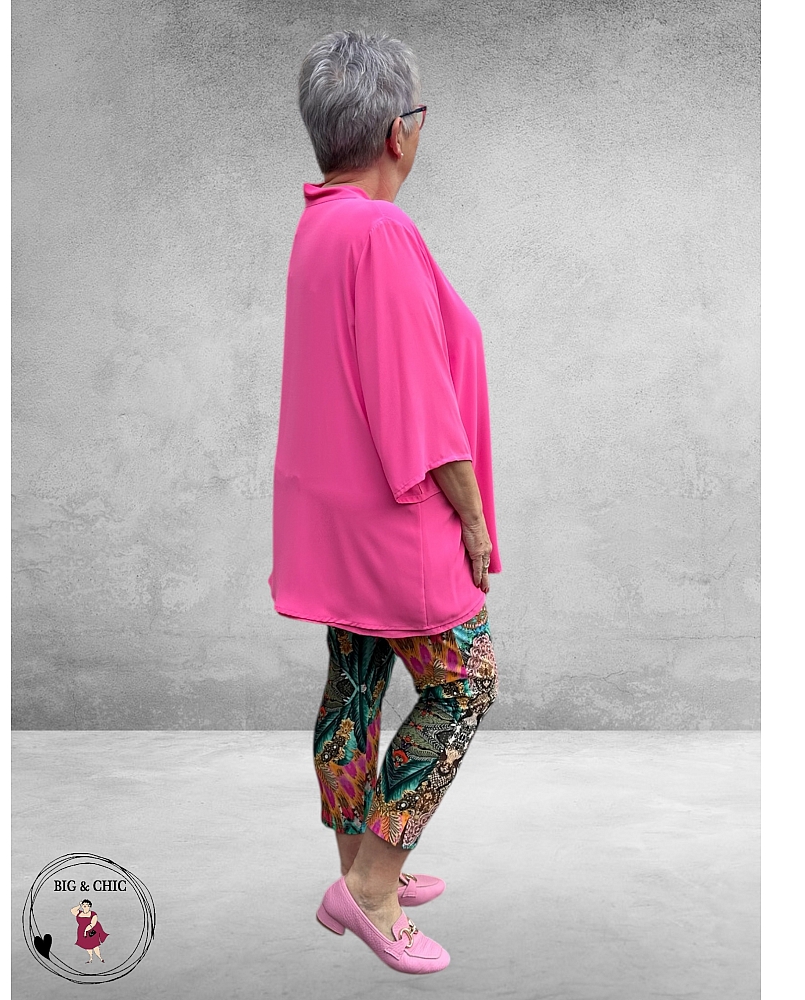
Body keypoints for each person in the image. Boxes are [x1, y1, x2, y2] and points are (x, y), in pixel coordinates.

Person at [268, 28, 502, 975]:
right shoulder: (382, 231)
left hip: (335, 517)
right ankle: (374, 886)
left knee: (356, 683)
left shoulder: (320, 225)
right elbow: (420, 402)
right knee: (465, 684)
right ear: (400, 132)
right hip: (395, 520)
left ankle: (353, 870)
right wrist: (474, 519)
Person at [70, 899, 108, 963]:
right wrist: (79, 905)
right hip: (81, 931)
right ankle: (91, 958)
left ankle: (100, 958)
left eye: (87, 904)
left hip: (92, 931)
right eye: (83, 904)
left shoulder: (93, 914)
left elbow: (93, 923)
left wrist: (86, 930)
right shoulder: (79, 913)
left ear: (89, 906)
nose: (85, 906)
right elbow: (72, 910)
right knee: (87, 946)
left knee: (95, 945)